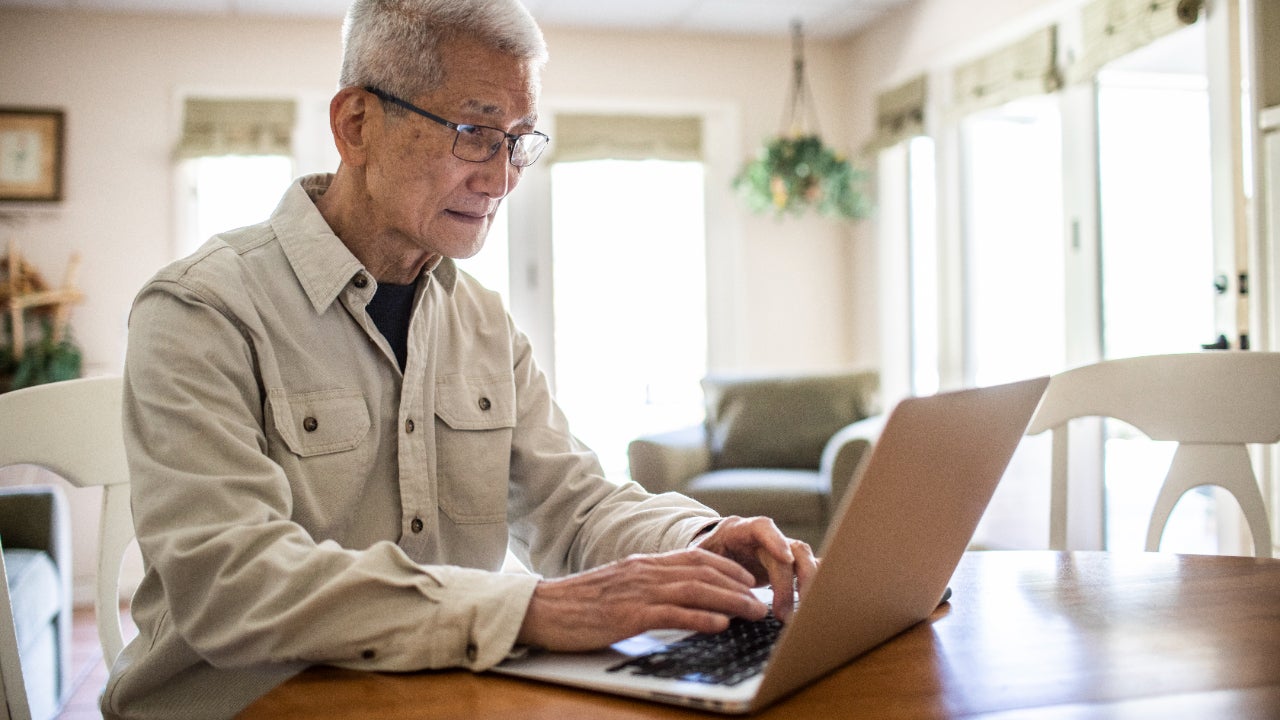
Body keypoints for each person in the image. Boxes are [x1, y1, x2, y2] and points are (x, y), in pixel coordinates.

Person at [103, 1, 817, 717]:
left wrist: (696, 542)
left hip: (436, 697)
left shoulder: (483, 321)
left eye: (518, 140)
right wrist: (531, 609)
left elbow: (572, 505)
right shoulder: (200, 310)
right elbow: (233, 582)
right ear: (356, 126)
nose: (503, 178)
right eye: (476, 134)